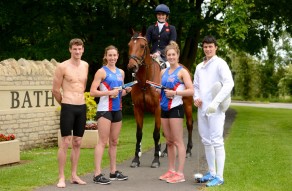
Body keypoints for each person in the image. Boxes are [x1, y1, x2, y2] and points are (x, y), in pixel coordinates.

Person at [193, 35, 234, 187]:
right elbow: (196, 86)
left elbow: (229, 84)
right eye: (205, 47)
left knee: (217, 141)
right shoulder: (199, 66)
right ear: (203, 48)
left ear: (216, 47)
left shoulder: (220, 64)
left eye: (211, 46)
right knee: (206, 141)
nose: (208, 49)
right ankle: (211, 172)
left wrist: (216, 103)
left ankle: (220, 176)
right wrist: (196, 98)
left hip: (215, 109)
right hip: (202, 108)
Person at [90, 45, 131, 185]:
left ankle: (113, 172)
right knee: (102, 142)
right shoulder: (101, 72)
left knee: (114, 142)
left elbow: (120, 92)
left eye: (115, 55)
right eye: (110, 55)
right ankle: (97, 174)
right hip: (104, 110)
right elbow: (92, 92)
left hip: (117, 110)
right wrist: (109, 93)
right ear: (105, 56)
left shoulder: (121, 72)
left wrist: (127, 90)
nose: (112, 58)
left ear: (118, 56)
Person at [52, 38, 89, 188]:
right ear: (70, 50)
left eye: (80, 49)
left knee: (78, 142)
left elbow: (83, 86)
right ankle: (61, 177)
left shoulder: (86, 65)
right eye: (75, 49)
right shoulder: (62, 67)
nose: (77, 51)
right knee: (65, 141)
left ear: (83, 50)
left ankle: (74, 175)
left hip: (81, 106)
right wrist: (65, 103)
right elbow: (55, 90)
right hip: (68, 105)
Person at [158, 41, 194, 183]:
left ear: (178, 55)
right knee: (169, 141)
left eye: (173, 54)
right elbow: (162, 89)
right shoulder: (163, 72)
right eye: (169, 55)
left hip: (176, 109)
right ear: (166, 56)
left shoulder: (182, 72)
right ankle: (171, 170)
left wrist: (176, 93)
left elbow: (191, 90)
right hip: (164, 109)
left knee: (178, 141)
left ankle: (180, 173)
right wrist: (158, 89)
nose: (171, 57)